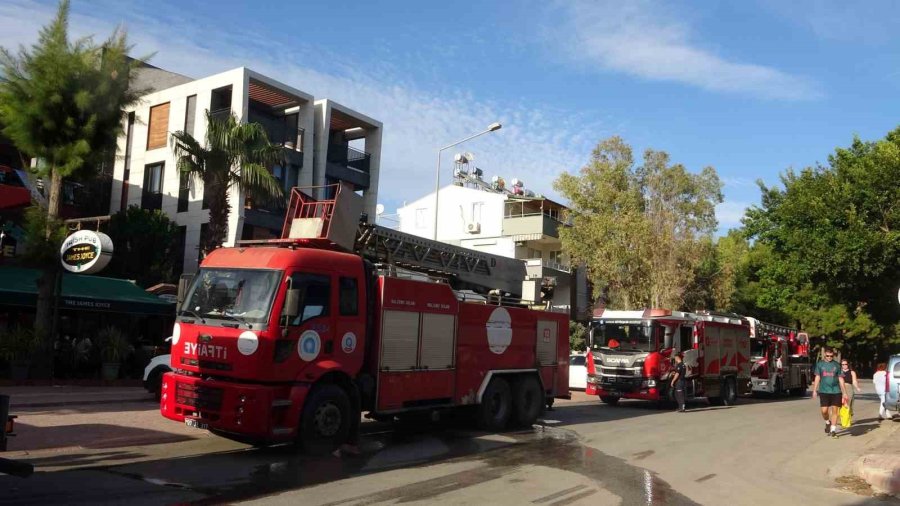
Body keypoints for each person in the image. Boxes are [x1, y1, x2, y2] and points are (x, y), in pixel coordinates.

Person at [812, 348, 845, 438]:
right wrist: (814, 390)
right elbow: (817, 377)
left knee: (835, 411)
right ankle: (827, 422)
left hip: (836, 391)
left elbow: (841, 378)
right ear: (824, 355)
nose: (829, 357)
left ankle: (833, 430)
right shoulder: (820, 364)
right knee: (824, 411)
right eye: (827, 356)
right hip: (824, 391)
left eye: (831, 356)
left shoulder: (837, 365)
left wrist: (844, 392)